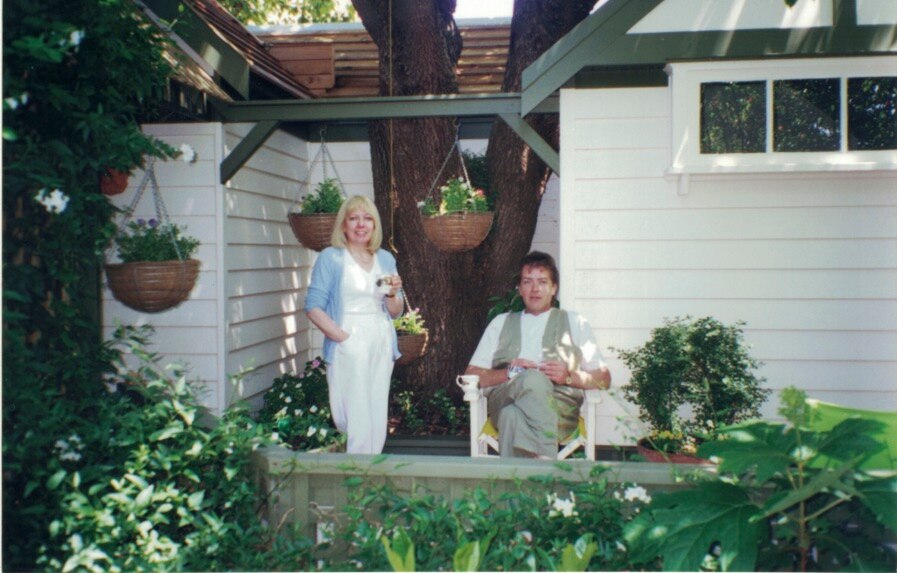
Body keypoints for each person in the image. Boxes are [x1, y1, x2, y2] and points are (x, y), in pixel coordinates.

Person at [464, 251, 611, 459]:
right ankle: (547, 473)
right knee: (532, 379)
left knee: (511, 417)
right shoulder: (501, 322)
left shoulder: (575, 323)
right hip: (507, 396)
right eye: (527, 282)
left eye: (542, 282)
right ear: (520, 289)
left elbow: (604, 378)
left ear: (554, 288)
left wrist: (569, 376)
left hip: (558, 409)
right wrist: (509, 373)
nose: (535, 289)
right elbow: (472, 374)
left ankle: (516, 487)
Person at [305, 195, 404, 454]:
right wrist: (342, 337)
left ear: (375, 225)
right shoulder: (332, 258)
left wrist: (394, 293)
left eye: (367, 218)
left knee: (374, 408)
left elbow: (395, 311)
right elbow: (313, 306)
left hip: (380, 338)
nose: (361, 225)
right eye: (354, 218)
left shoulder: (384, 259)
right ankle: (358, 477)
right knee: (352, 412)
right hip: (349, 339)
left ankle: (370, 470)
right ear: (344, 226)